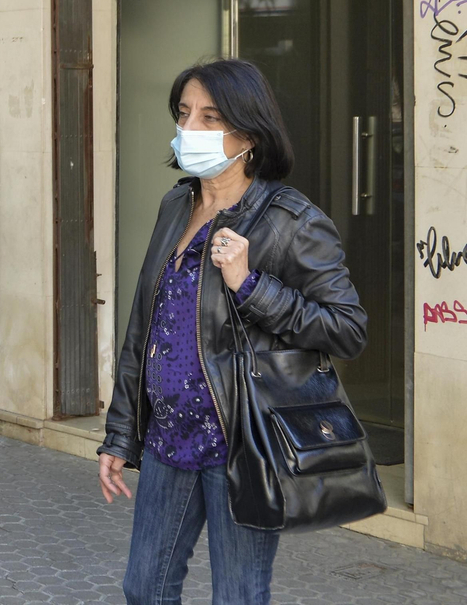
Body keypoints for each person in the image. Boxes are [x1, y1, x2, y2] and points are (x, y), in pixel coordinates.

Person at [98, 58, 367, 605]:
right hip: (169, 437)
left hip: (243, 446)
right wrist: (122, 434)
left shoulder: (292, 220)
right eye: (183, 114)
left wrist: (250, 285)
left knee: (238, 596)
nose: (189, 128)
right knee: (144, 588)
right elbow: (144, 326)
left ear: (249, 133)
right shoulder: (176, 204)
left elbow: (347, 329)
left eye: (210, 117)